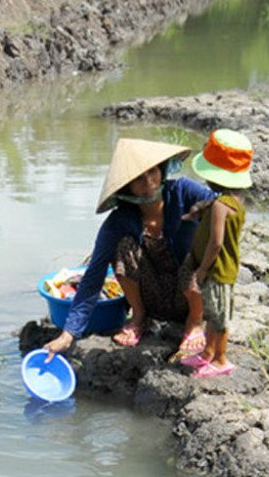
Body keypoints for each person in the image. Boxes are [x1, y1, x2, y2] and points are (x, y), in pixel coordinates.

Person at [43, 138, 217, 361]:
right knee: (122, 247)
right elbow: (95, 274)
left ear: (161, 170)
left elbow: (225, 210)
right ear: (128, 188)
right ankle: (139, 316)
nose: (149, 182)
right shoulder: (120, 221)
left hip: (192, 291)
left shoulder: (184, 192)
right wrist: (68, 334)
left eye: (152, 172)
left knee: (191, 249)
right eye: (139, 179)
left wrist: (205, 209)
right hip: (155, 297)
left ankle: (194, 321)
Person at [176, 129, 253, 378]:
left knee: (219, 319)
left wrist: (202, 270)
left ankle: (220, 359)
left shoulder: (221, 206)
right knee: (212, 314)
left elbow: (216, 243)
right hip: (222, 270)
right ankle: (208, 353)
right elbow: (215, 206)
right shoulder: (232, 201)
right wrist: (199, 208)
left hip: (218, 271)